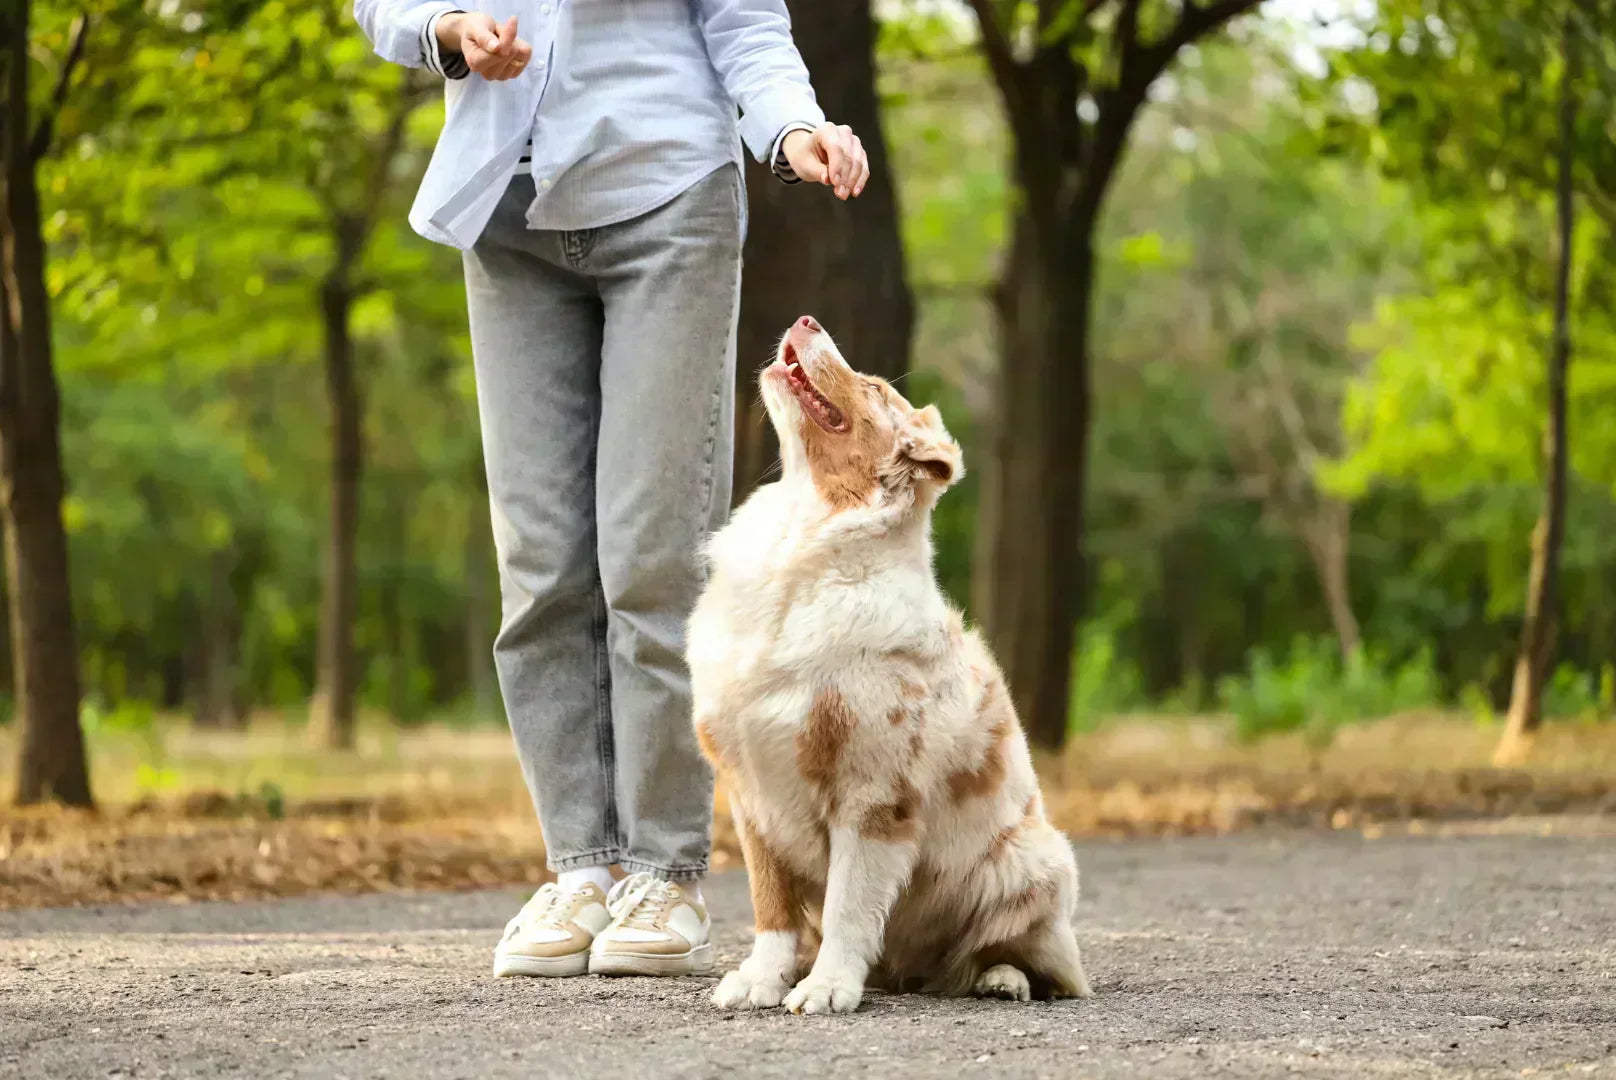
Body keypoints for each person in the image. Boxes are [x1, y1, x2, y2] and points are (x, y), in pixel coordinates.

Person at [352, 0, 868, 978]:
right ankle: (580, 868)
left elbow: (744, 22)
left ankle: (664, 873)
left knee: (652, 554)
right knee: (540, 559)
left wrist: (792, 130)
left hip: (666, 189)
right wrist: (451, 27)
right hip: (505, 212)